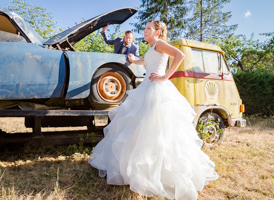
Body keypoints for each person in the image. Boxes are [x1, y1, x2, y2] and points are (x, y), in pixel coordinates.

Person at [89, 20, 218, 200]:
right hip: (147, 86)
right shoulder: (151, 47)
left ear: (158, 32)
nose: (145, 31)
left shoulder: (160, 44)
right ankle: (135, 167)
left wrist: (165, 76)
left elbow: (179, 55)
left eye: (149, 28)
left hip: (157, 88)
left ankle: (156, 171)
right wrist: (135, 60)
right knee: (138, 126)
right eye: (145, 28)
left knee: (154, 129)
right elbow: (146, 61)